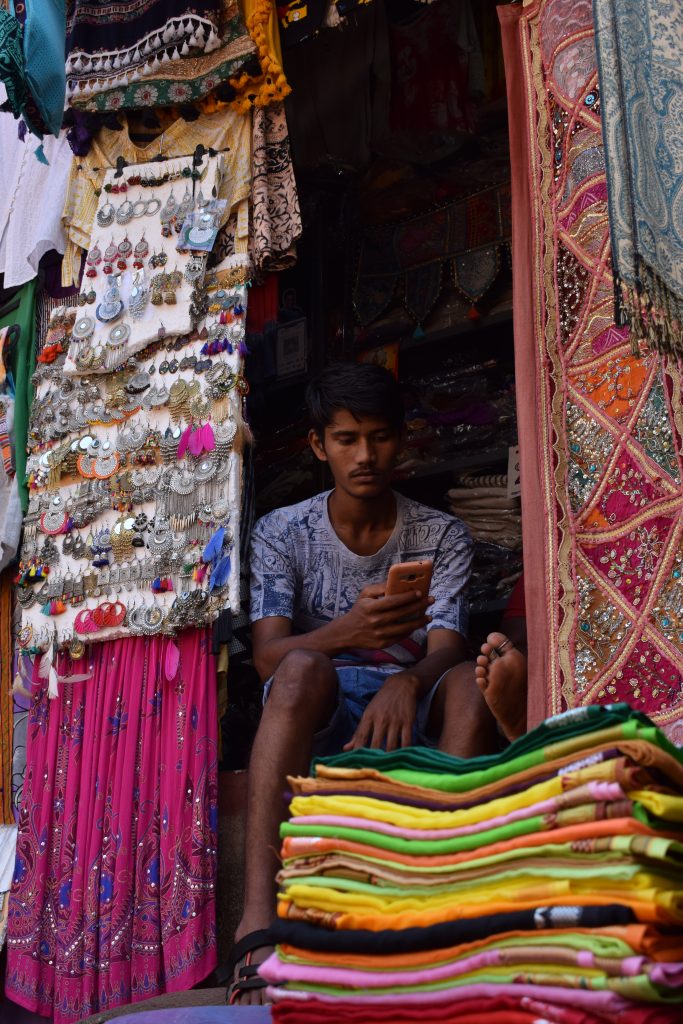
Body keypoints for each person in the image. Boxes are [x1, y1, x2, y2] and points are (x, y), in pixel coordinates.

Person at [227, 362, 499, 1004]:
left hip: (407, 699)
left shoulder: (441, 533)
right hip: (314, 698)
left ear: (401, 440)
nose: (365, 454)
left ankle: (433, 905)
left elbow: (448, 647)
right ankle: (259, 920)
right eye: (346, 439)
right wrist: (349, 630)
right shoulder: (281, 532)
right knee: (299, 669)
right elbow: (267, 659)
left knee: (467, 683)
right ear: (319, 445)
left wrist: (407, 683)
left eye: (379, 437)